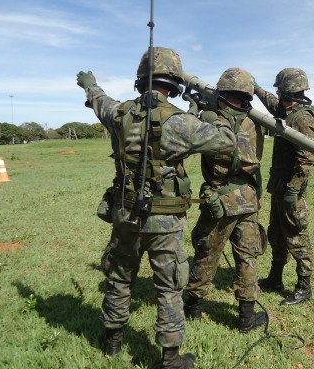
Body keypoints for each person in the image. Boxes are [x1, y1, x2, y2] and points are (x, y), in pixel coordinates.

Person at [76, 47, 236, 369]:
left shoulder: (119, 114)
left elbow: (98, 101)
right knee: (169, 287)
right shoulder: (181, 122)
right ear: (174, 84)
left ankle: (112, 342)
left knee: (120, 278)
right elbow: (227, 141)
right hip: (165, 221)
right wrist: (206, 111)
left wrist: (89, 85)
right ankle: (171, 358)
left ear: (140, 80)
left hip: (125, 215)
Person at [183, 67, 267, 333]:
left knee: (207, 253)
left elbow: (186, 139)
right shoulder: (254, 121)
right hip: (249, 196)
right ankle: (246, 317)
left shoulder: (210, 119)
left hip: (221, 197)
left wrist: (196, 109)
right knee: (247, 257)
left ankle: (193, 308)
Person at [253, 68, 314, 306]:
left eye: (278, 88)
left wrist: (293, 189)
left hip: (291, 190)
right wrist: (256, 88)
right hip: (279, 187)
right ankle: (275, 279)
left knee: (296, 236)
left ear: (284, 89)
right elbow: (272, 104)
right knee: (277, 234)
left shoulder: (301, 118)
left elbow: (306, 158)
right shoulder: (287, 110)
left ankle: (304, 286)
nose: (276, 92)